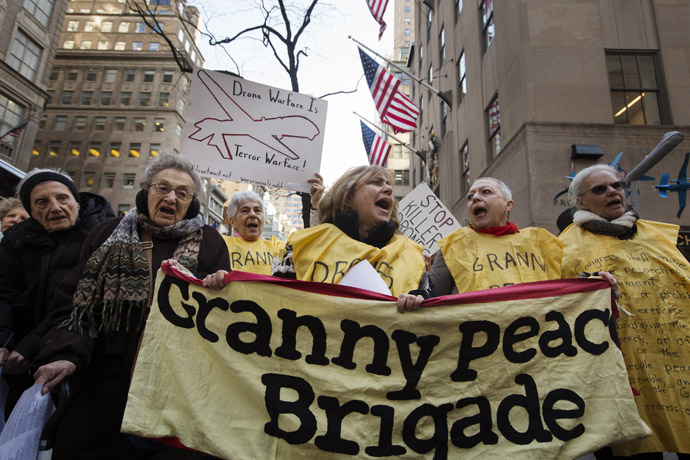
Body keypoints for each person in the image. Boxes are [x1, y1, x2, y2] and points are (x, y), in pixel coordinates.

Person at [32, 154, 231, 459]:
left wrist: (221, 287)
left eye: (182, 193)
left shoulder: (212, 242)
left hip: (174, 387)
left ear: (191, 203)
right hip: (103, 385)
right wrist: (66, 355)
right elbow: (75, 303)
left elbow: (219, 319)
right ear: (145, 192)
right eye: (162, 188)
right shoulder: (107, 233)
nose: (170, 197)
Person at [560, 164, 690, 459]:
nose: (612, 192)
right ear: (581, 201)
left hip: (673, 367)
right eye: (600, 189)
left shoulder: (656, 236)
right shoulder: (564, 247)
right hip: (615, 378)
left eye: (616, 186)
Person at [0, 170, 113, 406]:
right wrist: (3, 341)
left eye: (62, 198)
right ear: (30, 211)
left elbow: (81, 302)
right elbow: (4, 293)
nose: (55, 207)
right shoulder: (14, 242)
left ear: (76, 202)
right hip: (17, 365)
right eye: (42, 202)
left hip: (79, 361)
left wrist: (30, 346)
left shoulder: (103, 240)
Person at [270, 165, 428, 309]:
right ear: (348, 196)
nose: (388, 189)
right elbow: (273, 301)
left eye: (388, 185)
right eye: (376, 182)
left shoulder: (411, 255)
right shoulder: (307, 244)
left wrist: (423, 302)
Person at [429, 177, 563, 297]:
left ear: (508, 205)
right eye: (470, 196)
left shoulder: (539, 242)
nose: (475, 198)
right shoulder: (454, 245)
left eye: (486, 192)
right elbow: (431, 298)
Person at [220, 190, 285, 275]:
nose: (253, 215)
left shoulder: (277, 246)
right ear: (232, 222)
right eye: (245, 211)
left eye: (257, 210)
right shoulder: (221, 243)